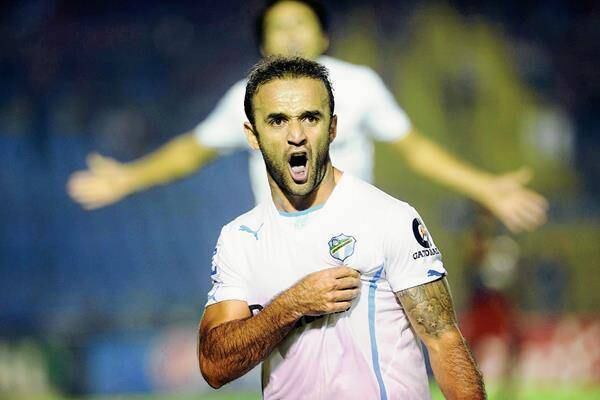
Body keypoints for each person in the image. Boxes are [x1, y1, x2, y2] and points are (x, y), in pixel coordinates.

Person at [67, 0, 547, 233]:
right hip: (280, 244)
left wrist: (484, 187)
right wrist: (129, 177)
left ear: (324, 38)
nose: (292, 34)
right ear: (263, 44)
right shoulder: (246, 96)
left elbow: (416, 150)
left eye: (302, 23)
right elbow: (193, 150)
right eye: (280, 26)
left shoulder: (359, 84)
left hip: (355, 241)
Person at [197, 56, 486, 399]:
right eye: (277, 121)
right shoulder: (239, 238)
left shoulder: (388, 218)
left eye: (310, 118)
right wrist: (292, 305)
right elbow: (214, 366)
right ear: (252, 135)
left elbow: (443, 341)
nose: (296, 136)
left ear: (333, 128)